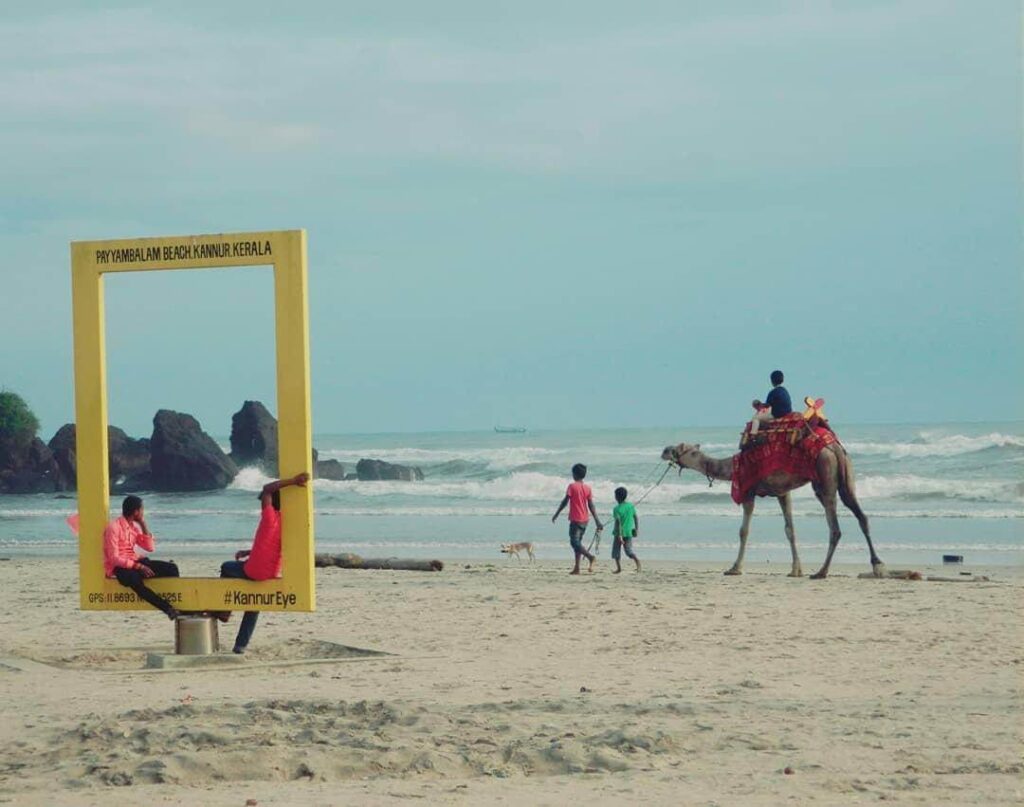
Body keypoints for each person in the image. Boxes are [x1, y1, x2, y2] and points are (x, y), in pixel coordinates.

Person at [219, 472, 310, 654]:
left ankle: (225, 610)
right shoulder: (286, 523)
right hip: (271, 573)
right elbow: (271, 545)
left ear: (270, 502)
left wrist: (293, 481)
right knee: (254, 603)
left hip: (253, 570)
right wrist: (249, 552)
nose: (261, 500)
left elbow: (267, 488)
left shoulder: (268, 516)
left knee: (226, 567)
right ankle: (240, 646)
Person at [104, 495, 180, 620]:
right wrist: (137, 566)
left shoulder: (133, 528)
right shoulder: (114, 528)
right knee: (135, 580)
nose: (143, 512)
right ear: (136, 512)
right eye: (142, 510)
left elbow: (150, 548)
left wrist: (143, 524)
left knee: (172, 568)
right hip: (122, 568)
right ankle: (167, 609)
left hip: (136, 561)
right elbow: (113, 558)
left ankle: (174, 600)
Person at [551, 463, 604, 575]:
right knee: (578, 543)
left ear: (574, 474)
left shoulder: (572, 486)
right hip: (585, 520)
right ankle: (577, 568)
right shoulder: (587, 488)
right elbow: (591, 505)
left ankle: (590, 557)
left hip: (576, 519)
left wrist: (557, 513)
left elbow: (565, 501)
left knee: (574, 542)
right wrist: (597, 520)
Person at [750, 369, 793, 435]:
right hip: (787, 413)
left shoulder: (773, 392)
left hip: (777, 415)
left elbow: (766, 406)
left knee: (756, 418)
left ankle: (753, 435)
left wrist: (758, 404)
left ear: (772, 381)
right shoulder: (785, 391)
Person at [611, 486, 641, 574]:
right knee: (628, 551)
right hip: (629, 532)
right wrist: (636, 528)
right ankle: (637, 562)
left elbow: (618, 523)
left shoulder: (616, 509)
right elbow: (636, 517)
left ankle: (619, 568)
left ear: (617, 497)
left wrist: (619, 535)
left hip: (618, 534)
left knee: (616, 551)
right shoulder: (631, 506)